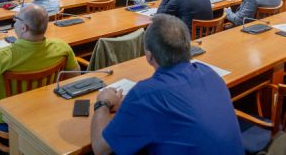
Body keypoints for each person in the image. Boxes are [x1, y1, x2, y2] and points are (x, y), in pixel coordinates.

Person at [91, 14, 244, 155]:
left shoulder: (145, 94)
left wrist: (102, 103)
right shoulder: (209, 72)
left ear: (149, 56)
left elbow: (100, 148)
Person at [0, 4, 80, 126]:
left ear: (24, 28)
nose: (14, 23)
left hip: (7, 115)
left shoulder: (0, 57)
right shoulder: (62, 47)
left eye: (16, 19)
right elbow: (75, 76)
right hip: (47, 105)